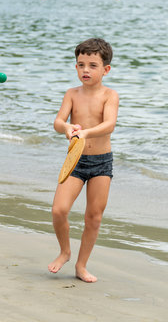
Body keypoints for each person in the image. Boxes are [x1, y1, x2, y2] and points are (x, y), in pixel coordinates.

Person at [48, 38, 119, 283]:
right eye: (81, 65)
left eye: (92, 65)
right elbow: (58, 122)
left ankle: (81, 265)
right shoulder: (72, 94)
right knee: (59, 210)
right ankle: (65, 251)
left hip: (101, 162)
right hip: (75, 161)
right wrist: (67, 128)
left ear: (105, 69)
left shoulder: (110, 95)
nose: (85, 70)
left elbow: (109, 124)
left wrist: (86, 132)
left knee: (94, 217)